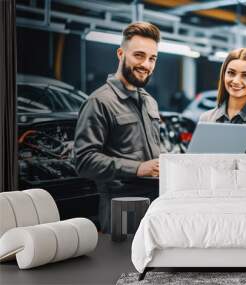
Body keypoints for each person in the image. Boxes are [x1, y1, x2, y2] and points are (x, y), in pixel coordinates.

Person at [74, 22, 161, 233]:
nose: (146, 65)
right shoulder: (99, 102)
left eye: (152, 59)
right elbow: (84, 161)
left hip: (157, 204)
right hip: (122, 206)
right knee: (123, 265)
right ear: (121, 54)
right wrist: (138, 168)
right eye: (139, 56)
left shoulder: (150, 101)